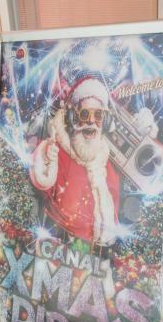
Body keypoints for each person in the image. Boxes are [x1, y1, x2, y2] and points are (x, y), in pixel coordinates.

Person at [29, 78, 119, 246]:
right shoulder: (57, 153)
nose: (91, 122)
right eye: (84, 114)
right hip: (56, 245)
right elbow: (41, 179)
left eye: (98, 115)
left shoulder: (108, 170)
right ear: (72, 118)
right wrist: (47, 158)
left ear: (105, 121)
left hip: (92, 252)